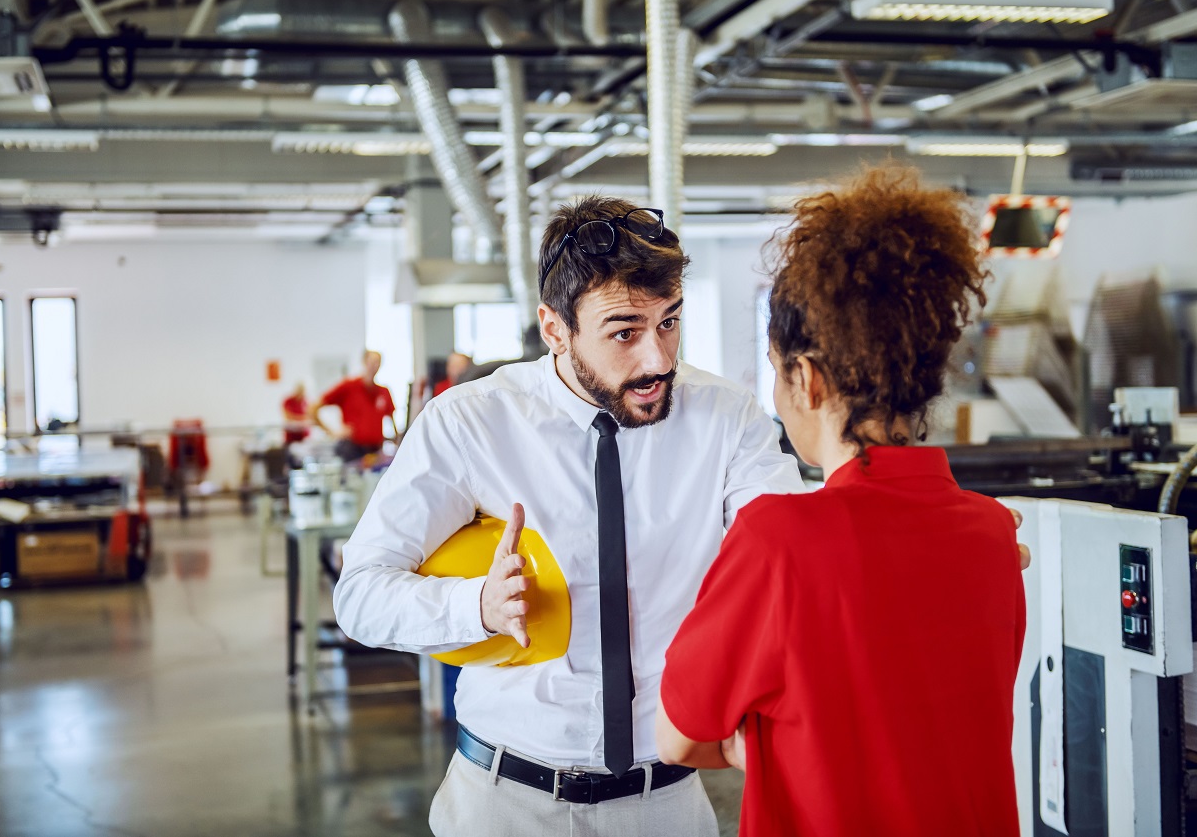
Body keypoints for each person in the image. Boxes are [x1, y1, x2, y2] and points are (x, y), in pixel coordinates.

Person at [333, 196, 806, 836]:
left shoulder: (726, 419)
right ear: (555, 328)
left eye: (669, 323)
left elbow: (791, 556)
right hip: (506, 800)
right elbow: (360, 595)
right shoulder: (470, 423)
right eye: (623, 332)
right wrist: (476, 608)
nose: (657, 360)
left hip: (665, 802)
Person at [656, 166, 1026, 836]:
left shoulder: (779, 540)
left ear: (807, 377)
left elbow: (677, 736)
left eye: (775, 372)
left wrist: (758, 747)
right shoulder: (994, 533)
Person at [309, 350, 398, 463]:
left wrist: (397, 441)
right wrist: (332, 432)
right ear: (364, 362)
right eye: (372, 362)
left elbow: (391, 416)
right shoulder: (349, 387)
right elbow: (313, 409)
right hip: (352, 450)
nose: (374, 366)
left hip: (375, 451)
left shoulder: (383, 392)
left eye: (378, 363)